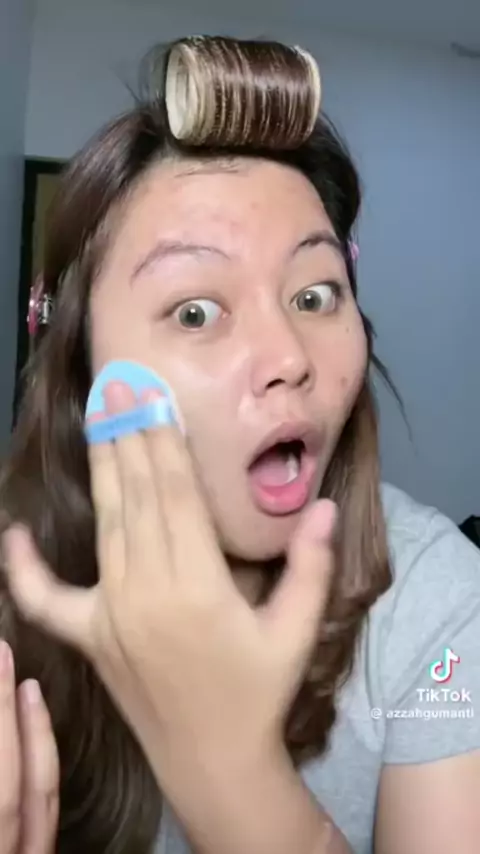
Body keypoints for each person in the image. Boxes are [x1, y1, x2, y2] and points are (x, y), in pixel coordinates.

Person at [0, 34, 479, 854]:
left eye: (315, 295)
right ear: (82, 367)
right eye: (196, 311)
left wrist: (229, 775)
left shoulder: (438, 601)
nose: (289, 356)